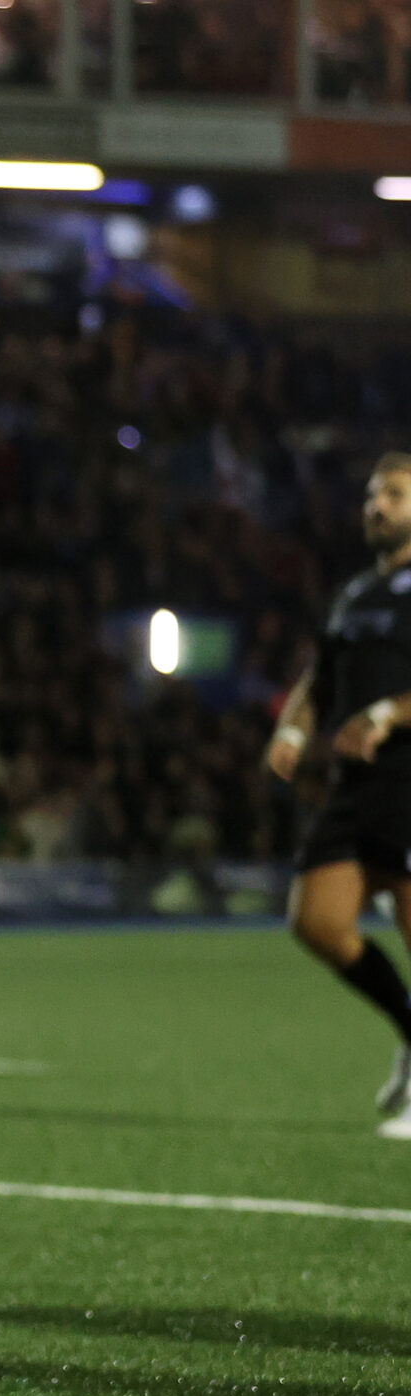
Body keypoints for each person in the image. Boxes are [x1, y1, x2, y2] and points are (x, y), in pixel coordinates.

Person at [268, 451, 411, 1138]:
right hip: (357, 788)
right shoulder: (355, 595)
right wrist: (293, 730)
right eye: (372, 495)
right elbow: (317, 681)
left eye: (393, 494)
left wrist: (388, 714)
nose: (376, 506)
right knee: (316, 922)